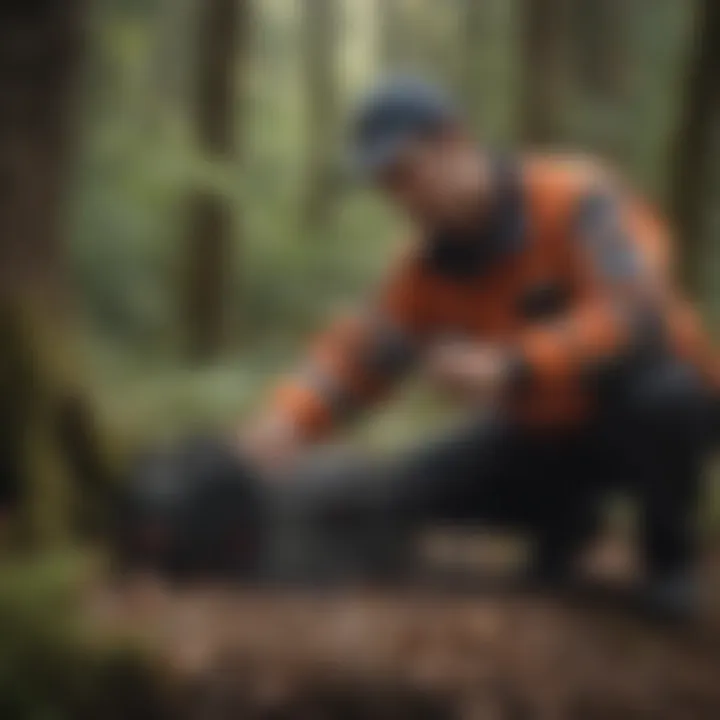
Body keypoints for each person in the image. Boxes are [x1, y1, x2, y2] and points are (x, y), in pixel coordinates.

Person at [232, 76, 719, 616]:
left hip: (649, 410)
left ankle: (669, 562)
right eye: (388, 186)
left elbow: (636, 313)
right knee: (405, 492)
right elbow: (356, 358)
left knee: (664, 396)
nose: (402, 197)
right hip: (543, 430)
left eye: (406, 174)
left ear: (454, 142)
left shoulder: (577, 195)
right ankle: (564, 518)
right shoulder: (422, 272)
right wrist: (282, 426)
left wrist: (515, 365)